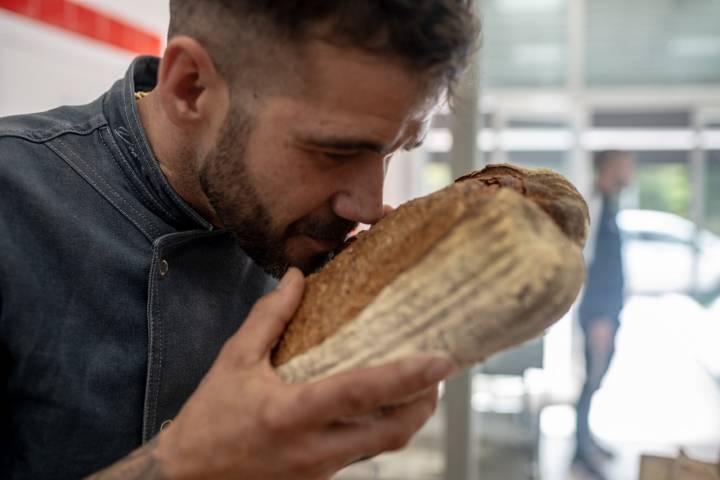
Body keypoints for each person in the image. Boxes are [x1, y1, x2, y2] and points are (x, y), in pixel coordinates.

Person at [0, 2, 479, 478]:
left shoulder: (308, 237)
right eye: (335, 151)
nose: (369, 208)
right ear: (192, 88)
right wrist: (190, 464)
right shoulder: (13, 199)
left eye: (396, 149)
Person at [574, 150, 635, 479]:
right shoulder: (594, 203)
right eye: (627, 164)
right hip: (598, 312)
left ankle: (587, 442)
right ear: (610, 167)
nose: (631, 170)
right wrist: (598, 316)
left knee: (595, 381)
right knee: (590, 380)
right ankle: (580, 451)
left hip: (609, 310)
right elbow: (589, 260)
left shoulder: (611, 201)